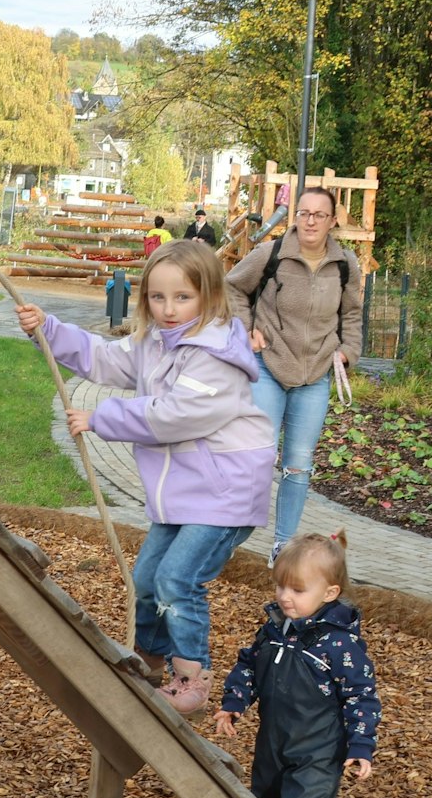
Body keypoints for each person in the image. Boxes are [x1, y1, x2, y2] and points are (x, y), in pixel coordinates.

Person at [16, 240, 274, 713]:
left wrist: (101, 418)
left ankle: (191, 677)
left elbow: (177, 414)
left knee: (178, 578)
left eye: (182, 298)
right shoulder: (154, 342)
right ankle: (149, 662)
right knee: (147, 577)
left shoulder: (215, 354)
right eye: (158, 298)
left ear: (209, 297)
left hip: (225, 491)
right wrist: (50, 330)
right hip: (184, 490)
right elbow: (104, 359)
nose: (169, 310)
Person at [213, 530, 380, 798]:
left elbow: (361, 695)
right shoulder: (275, 630)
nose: (285, 596)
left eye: (298, 589)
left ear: (329, 592)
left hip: (318, 749)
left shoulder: (339, 645)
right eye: (280, 585)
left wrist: (360, 744)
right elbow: (249, 666)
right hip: (274, 741)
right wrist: (233, 704)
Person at [225, 185, 363, 559]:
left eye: (319, 214)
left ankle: (283, 549)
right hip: (268, 366)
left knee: (298, 467)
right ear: (294, 216)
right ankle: (225, 538)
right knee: (257, 457)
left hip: (314, 376)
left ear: (333, 221)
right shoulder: (271, 254)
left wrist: (349, 351)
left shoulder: (345, 265)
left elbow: (351, 314)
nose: (310, 221)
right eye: (303, 213)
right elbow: (232, 288)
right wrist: (246, 328)